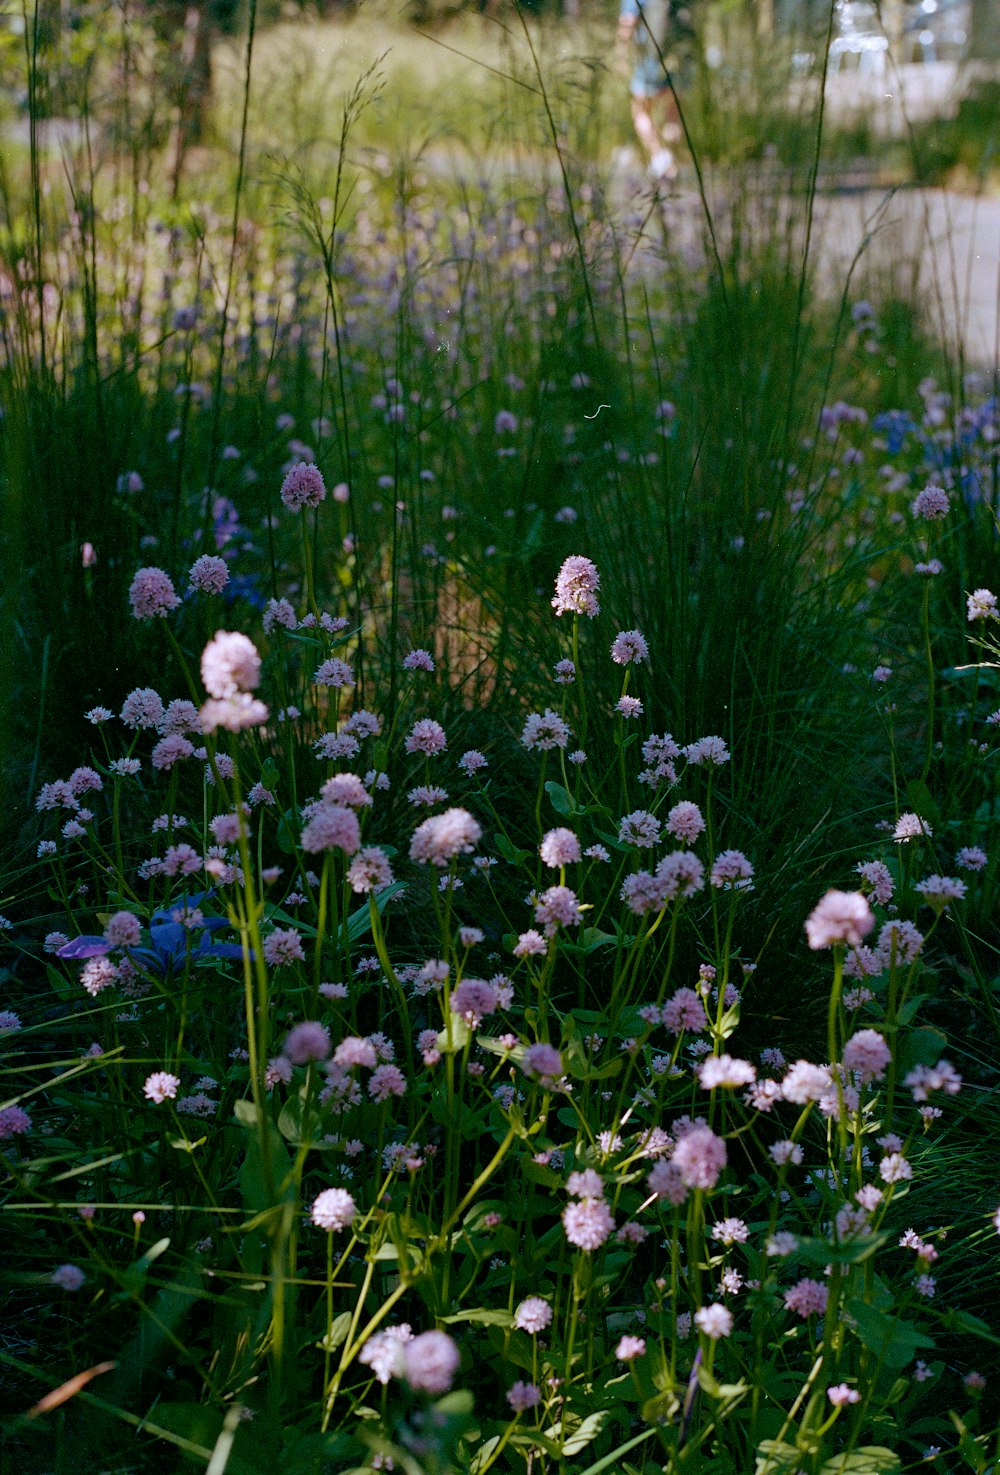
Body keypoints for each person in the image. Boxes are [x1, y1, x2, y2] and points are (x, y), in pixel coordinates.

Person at [615, 0, 695, 183]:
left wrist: (620, 55)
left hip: (652, 60)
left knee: (640, 109)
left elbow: (628, 21)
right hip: (680, 60)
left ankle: (660, 157)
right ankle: (671, 162)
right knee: (672, 114)